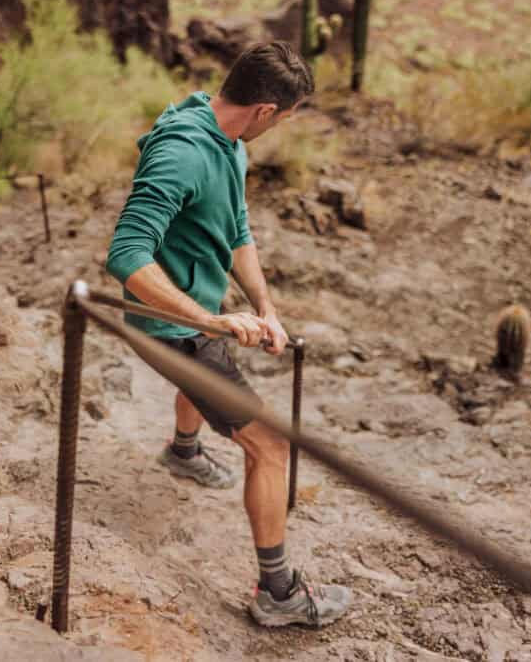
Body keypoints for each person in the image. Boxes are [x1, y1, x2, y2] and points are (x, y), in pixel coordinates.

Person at [105, 41, 352, 628]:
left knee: (214, 360)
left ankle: (185, 452)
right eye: (286, 116)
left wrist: (263, 306)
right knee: (271, 444)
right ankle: (280, 593)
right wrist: (211, 319)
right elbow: (126, 254)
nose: (283, 126)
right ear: (266, 109)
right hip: (173, 329)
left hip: (197, 319)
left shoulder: (227, 140)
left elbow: (235, 229)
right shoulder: (186, 153)